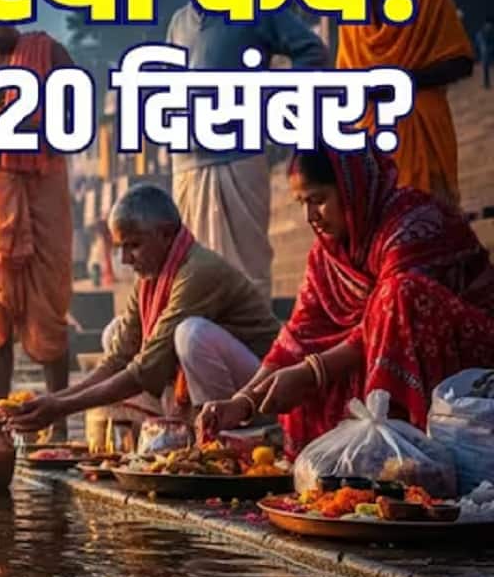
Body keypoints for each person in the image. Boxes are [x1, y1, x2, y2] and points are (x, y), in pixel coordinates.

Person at [196, 147, 494, 457]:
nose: (310, 217)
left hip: (471, 368)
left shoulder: (414, 221)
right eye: (302, 203)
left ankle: (402, 458)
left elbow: (387, 322)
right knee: (308, 366)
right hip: (379, 353)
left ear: (352, 190)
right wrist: (242, 402)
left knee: (399, 295)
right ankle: (347, 469)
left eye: (318, 200)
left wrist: (311, 372)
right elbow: (298, 335)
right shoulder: (328, 254)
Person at [3, 186, 280, 436]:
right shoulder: (149, 278)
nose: (124, 260)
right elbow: (120, 358)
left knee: (191, 334)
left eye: (133, 245)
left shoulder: (198, 271)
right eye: (120, 248)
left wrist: (61, 407)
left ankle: (225, 433)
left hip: (262, 389)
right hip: (204, 386)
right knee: (115, 332)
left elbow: (146, 368)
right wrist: (57, 400)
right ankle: (185, 424)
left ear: (166, 234)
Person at [167, 0, 330, 301]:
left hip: (239, 159)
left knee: (246, 273)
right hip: (188, 166)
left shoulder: (254, 5)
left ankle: (252, 354)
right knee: (193, 279)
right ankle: (202, 355)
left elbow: (312, 52)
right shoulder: (178, 23)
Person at [0, 10, 74, 437]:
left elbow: (73, 116)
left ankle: (60, 424)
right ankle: (0, 423)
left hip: (42, 187)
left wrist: (27, 122)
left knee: (48, 301)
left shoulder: (50, 54)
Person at [337, 0, 475, 208]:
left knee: (431, 221)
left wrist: (404, 82)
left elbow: (461, 62)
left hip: (424, 130)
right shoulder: (352, 10)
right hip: (372, 137)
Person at [477, 16, 494, 90]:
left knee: (486, 64)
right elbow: (480, 40)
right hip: (485, 48)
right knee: (485, 65)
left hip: (488, 48)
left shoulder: (491, 31)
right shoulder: (481, 33)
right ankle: (486, 83)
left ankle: (487, 83)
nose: (489, 27)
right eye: (488, 25)